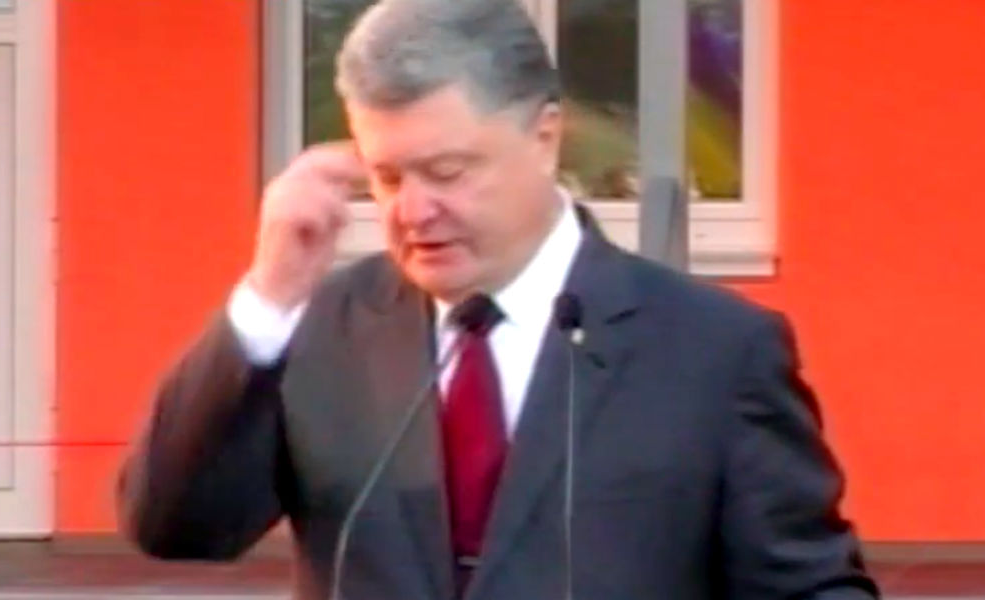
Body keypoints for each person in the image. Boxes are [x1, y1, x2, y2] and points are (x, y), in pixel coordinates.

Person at [117, 0, 879, 598]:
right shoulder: (324, 325)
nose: (413, 211)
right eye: (386, 177)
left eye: (447, 172)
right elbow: (176, 528)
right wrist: (270, 295)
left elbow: (808, 588)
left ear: (546, 138)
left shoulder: (714, 351)